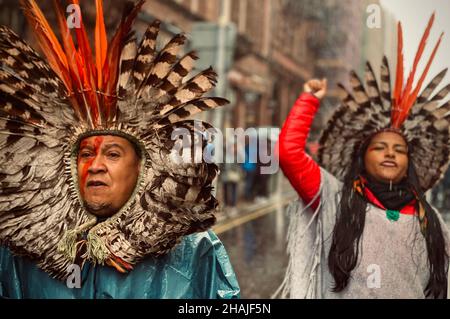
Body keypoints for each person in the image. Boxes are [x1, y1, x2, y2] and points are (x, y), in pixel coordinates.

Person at [0, 0, 239, 299]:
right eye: (86, 154)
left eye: (113, 154)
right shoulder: (20, 247)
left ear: (144, 167)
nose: (95, 166)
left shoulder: (195, 251)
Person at [276, 14, 450, 299]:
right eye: (380, 147)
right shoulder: (334, 199)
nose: (391, 153)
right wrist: (308, 99)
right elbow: (289, 154)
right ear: (362, 156)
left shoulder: (429, 220)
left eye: (400, 149)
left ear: (409, 162)